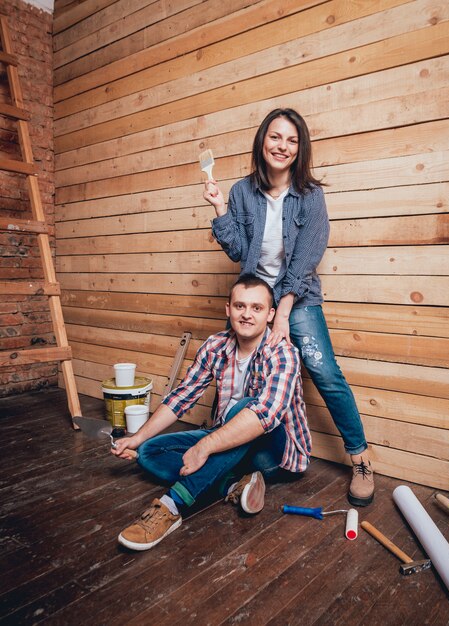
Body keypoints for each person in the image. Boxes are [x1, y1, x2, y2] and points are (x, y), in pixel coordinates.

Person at [203, 108, 374, 506]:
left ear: (300, 149)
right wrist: (219, 208)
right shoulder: (243, 192)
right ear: (262, 142)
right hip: (255, 295)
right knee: (239, 368)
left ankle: (361, 459)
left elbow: (306, 260)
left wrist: (282, 313)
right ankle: (224, 450)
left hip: (297, 296)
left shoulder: (311, 197)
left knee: (324, 371)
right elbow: (239, 253)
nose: (283, 146)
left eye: (292, 140)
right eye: (276, 137)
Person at [112, 275, 311, 551]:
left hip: (272, 453)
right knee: (148, 452)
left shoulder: (283, 352)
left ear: (270, 314)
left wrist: (204, 446)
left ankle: (172, 506)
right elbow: (182, 396)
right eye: (240, 306)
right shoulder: (216, 345)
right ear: (228, 309)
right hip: (225, 444)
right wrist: (137, 437)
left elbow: (264, 414)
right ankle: (232, 485)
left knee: (247, 408)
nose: (247, 315)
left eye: (257, 308)